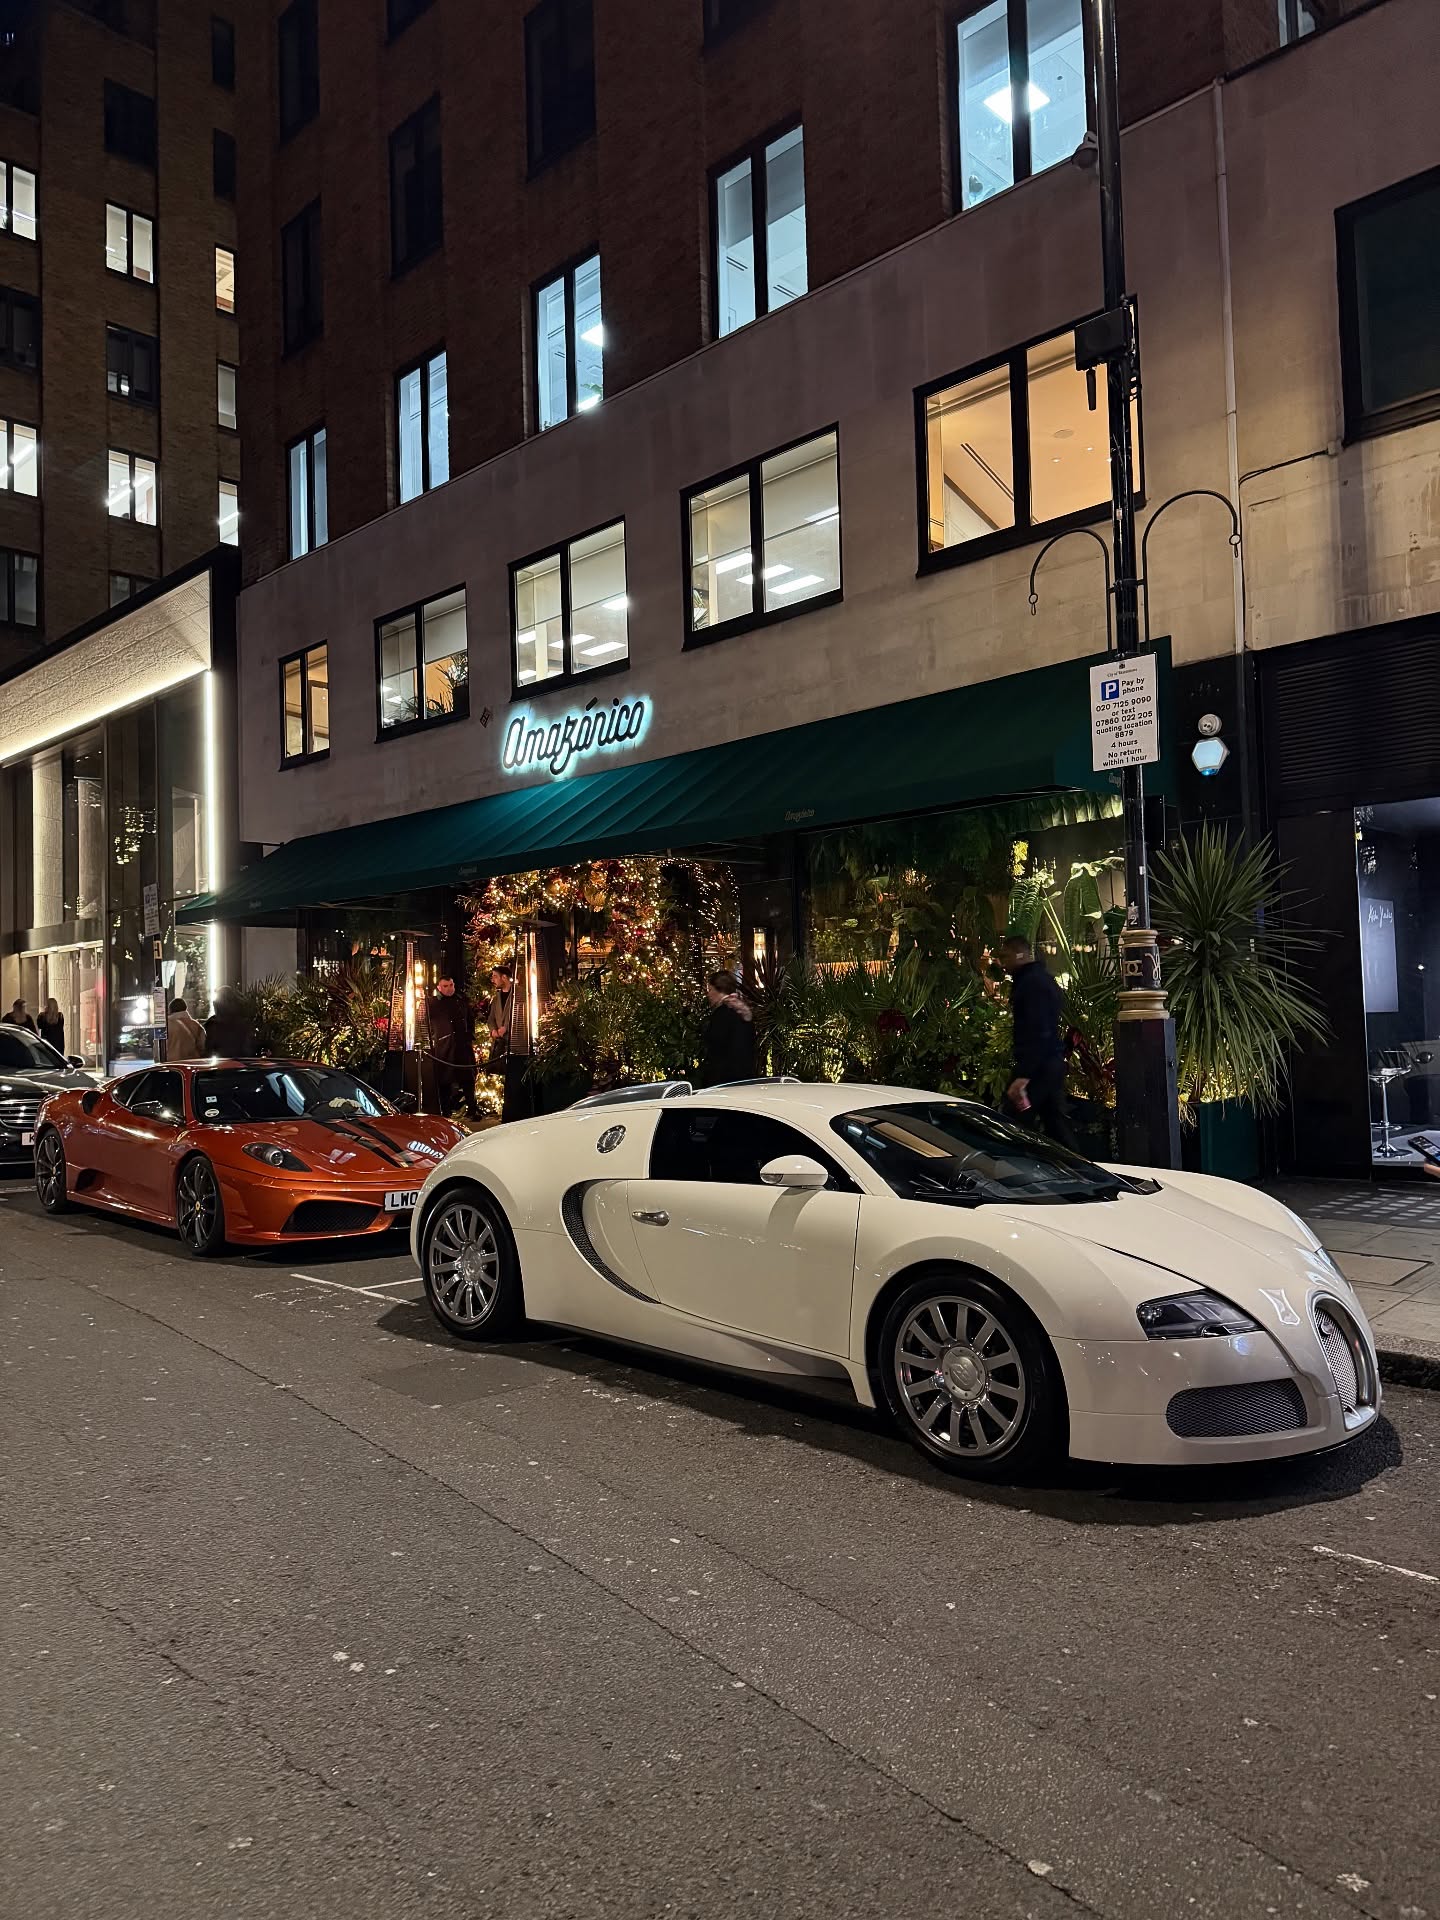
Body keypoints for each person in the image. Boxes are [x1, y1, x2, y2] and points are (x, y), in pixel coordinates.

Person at [999, 935, 1076, 1149]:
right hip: (1047, 1063)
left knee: (1014, 1121)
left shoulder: (1032, 983)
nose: (1002, 963)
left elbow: (1038, 1030)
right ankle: (1077, 1168)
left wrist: (1024, 1075)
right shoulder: (1037, 979)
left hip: (1040, 1067)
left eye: (1006, 956)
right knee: (1054, 1124)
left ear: (1019, 954)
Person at [430, 975, 480, 1119]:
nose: (449, 988)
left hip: (462, 1045)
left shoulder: (461, 1001)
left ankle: (472, 1109)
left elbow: (470, 1019)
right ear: (439, 987)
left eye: (451, 985)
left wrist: (469, 1035)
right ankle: (445, 1111)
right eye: (445, 986)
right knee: (445, 1080)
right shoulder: (433, 1003)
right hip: (444, 1046)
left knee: (468, 1079)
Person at [700, 969, 755, 1087]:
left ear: (719, 990)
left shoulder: (722, 1014)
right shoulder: (742, 1011)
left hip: (724, 1080)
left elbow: (716, 1048)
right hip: (745, 1077)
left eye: (710, 990)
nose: (708, 994)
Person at [204, 986, 256, 1058]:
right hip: (240, 1064)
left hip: (219, 1064)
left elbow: (208, 1050)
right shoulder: (244, 1023)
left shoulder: (212, 1024)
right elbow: (249, 1050)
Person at [485, 965, 514, 1068]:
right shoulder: (496, 998)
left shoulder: (519, 994)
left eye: (495, 976)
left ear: (504, 977)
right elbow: (491, 1018)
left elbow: (521, 1015)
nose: (493, 979)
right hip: (498, 1045)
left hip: (513, 1044)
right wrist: (493, 1030)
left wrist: (506, 1027)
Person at [167, 996, 206, 1061]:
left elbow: (158, 1050)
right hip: (191, 1066)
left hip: (171, 1066)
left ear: (170, 1010)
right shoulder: (197, 1026)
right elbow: (203, 1047)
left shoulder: (166, 1026)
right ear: (185, 1009)